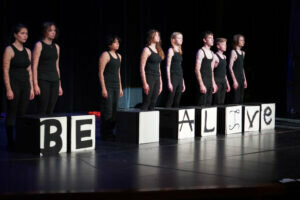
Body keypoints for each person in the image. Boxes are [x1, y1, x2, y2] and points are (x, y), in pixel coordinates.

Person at [2, 24, 34, 149]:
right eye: (22, 33)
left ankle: (21, 140)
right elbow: (5, 70)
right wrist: (8, 89)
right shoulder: (9, 50)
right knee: (12, 113)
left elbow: (29, 70)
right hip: (14, 84)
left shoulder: (28, 51)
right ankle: (10, 142)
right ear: (15, 35)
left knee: (22, 114)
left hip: (25, 84)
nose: (25, 36)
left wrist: (31, 87)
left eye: (26, 33)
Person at [32, 22, 63, 115]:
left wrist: (60, 84)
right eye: (50, 30)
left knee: (51, 109)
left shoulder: (56, 47)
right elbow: (34, 65)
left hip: (55, 80)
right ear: (45, 32)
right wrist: (35, 84)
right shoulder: (39, 45)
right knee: (43, 107)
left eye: (54, 30)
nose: (53, 32)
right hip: (43, 79)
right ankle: (39, 129)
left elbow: (57, 66)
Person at [98, 35, 123, 140]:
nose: (117, 44)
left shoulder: (119, 56)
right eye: (115, 42)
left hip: (116, 85)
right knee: (107, 110)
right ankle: (105, 133)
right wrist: (103, 88)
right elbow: (100, 72)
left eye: (118, 42)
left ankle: (111, 132)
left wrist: (121, 87)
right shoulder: (105, 55)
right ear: (110, 44)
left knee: (114, 110)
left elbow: (118, 73)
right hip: (108, 85)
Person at [140, 29, 164, 110]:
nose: (158, 37)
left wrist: (160, 82)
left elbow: (159, 68)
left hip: (157, 77)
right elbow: (142, 67)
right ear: (151, 37)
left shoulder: (158, 50)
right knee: (147, 101)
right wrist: (145, 83)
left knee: (153, 102)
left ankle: (150, 121)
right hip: (149, 77)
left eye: (158, 35)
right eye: (156, 35)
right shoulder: (146, 50)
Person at [195, 31, 217, 106]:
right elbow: (197, 69)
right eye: (210, 38)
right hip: (203, 81)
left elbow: (211, 70)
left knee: (209, 105)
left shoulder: (212, 53)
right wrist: (201, 84)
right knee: (202, 105)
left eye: (213, 38)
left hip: (209, 82)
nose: (212, 40)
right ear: (204, 40)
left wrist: (213, 83)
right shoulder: (201, 52)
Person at [165, 32, 185, 108]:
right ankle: (166, 116)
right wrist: (169, 82)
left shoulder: (179, 51)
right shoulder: (171, 50)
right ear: (173, 40)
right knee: (170, 98)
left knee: (177, 100)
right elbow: (167, 67)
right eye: (179, 38)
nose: (181, 40)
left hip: (179, 77)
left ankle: (175, 118)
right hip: (173, 77)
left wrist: (183, 81)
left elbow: (179, 67)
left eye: (182, 38)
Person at [229, 34, 247, 104]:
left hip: (241, 78)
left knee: (241, 99)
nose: (243, 41)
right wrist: (234, 80)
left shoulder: (243, 53)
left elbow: (242, 67)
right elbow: (230, 67)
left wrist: (245, 79)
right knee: (235, 99)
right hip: (236, 78)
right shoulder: (233, 52)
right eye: (241, 40)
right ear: (236, 41)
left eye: (243, 40)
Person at [212, 38, 231, 105]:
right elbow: (211, 70)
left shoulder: (225, 57)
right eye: (223, 44)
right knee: (217, 102)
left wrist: (227, 83)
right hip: (217, 81)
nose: (225, 46)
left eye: (225, 44)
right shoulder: (215, 56)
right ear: (218, 46)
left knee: (222, 102)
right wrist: (213, 83)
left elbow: (225, 72)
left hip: (223, 81)